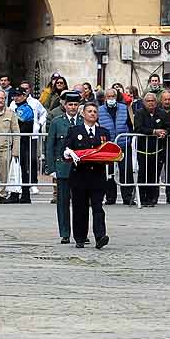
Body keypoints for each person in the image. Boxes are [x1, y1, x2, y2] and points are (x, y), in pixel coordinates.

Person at [63, 100, 110, 248]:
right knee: (80, 208)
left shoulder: (103, 133)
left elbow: (108, 151)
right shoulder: (75, 131)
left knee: (98, 207)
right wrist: (68, 153)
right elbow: (66, 150)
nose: (92, 114)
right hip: (79, 176)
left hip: (97, 175)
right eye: (89, 111)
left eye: (95, 112)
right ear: (83, 114)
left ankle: (100, 236)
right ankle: (80, 238)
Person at [45, 90, 81, 241]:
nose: (72, 107)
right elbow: (50, 146)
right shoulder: (57, 122)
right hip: (63, 168)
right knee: (63, 203)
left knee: (80, 203)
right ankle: (65, 233)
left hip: (80, 169)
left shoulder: (82, 121)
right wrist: (51, 168)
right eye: (70, 104)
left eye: (75, 104)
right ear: (65, 105)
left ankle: (81, 233)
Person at [132, 89, 169, 207]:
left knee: (155, 174)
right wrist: (153, 131)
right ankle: (142, 198)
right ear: (144, 102)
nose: (151, 103)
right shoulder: (139, 113)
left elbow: (168, 126)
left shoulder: (162, 113)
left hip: (157, 149)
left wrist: (165, 132)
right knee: (143, 173)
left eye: (153, 101)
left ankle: (153, 198)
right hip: (143, 149)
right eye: (148, 101)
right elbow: (138, 128)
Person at [97, 87, 131, 205]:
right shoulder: (99, 110)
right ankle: (110, 197)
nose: (111, 99)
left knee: (126, 170)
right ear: (105, 98)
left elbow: (130, 125)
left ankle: (127, 196)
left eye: (113, 96)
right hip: (108, 146)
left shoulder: (124, 108)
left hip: (123, 143)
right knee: (109, 172)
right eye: (109, 97)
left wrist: (129, 138)